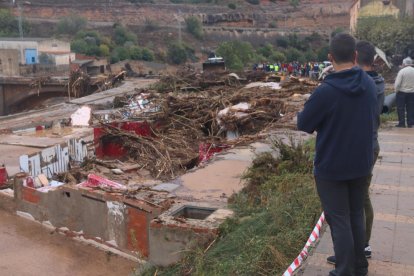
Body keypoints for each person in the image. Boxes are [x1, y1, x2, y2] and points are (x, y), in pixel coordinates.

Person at [297, 33, 377, 276]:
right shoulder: (369, 84)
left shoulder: (325, 92)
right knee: (355, 214)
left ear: (330, 58)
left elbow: (304, 123)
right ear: (355, 56)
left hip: (332, 168)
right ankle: (359, 266)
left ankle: (344, 271)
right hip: (361, 164)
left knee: (339, 220)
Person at [325, 40, 385, 266]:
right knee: (356, 200)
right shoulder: (374, 82)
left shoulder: (364, 84)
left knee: (358, 201)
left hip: (362, 146)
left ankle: (360, 248)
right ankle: (354, 250)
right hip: (366, 144)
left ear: (355, 56)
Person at [394, 58, 414, 128]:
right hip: (412, 93)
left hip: (401, 93)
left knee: (400, 108)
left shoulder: (402, 71)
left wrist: (396, 90)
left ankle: (402, 124)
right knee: (411, 108)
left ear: (404, 64)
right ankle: (410, 123)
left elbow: (397, 83)